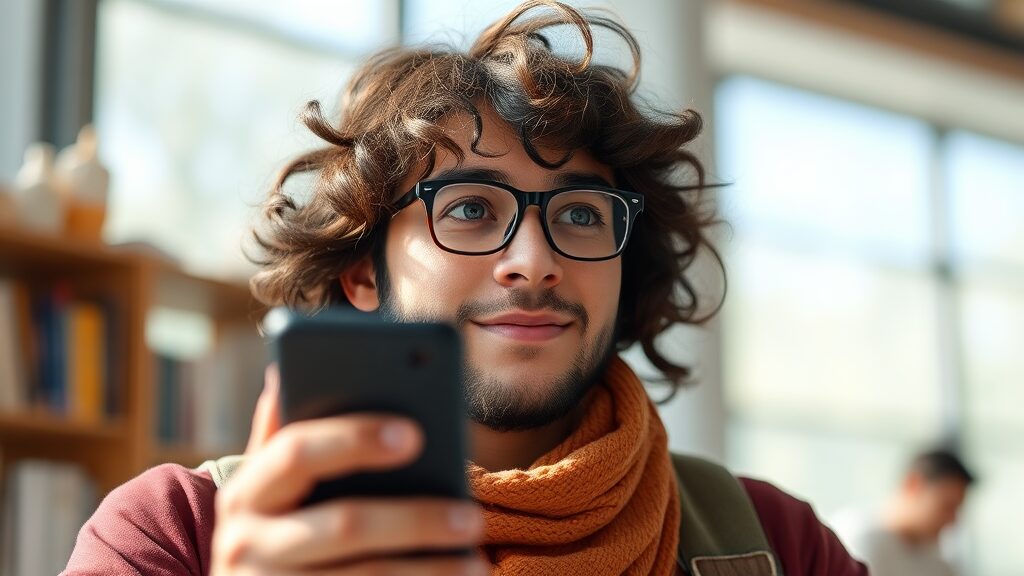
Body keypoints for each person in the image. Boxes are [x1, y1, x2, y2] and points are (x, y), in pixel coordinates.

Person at [63, 2, 867, 575]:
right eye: (472, 209)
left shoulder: (777, 541)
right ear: (362, 272)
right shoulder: (173, 536)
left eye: (581, 214)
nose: (533, 261)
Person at [836, 449, 974, 576]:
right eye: (947, 506)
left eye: (957, 509)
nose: (953, 520)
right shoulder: (858, 539)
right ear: (913, 485)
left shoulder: (938, 563)